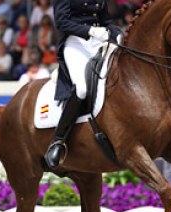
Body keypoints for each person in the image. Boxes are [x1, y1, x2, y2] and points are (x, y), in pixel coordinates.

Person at [44, 0, 122, 168]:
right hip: (75, 43)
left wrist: (118, 33)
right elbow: (62, 22)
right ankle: (58, 141)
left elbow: (105, 20)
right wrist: (90, 30)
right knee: (81, 89)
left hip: (99, 42)